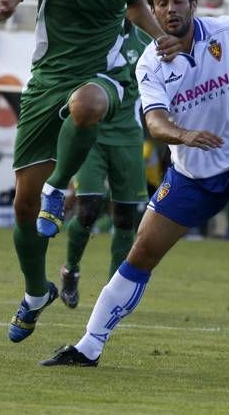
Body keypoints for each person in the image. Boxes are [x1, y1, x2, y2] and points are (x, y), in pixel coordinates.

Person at [39, 0, 229, 368]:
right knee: (142, 251)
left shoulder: (224, 31)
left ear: (193, 3)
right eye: (162, 3)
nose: (171, 8)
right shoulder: (150, 62)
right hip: (191, 173)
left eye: (178, 0)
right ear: (153, 11)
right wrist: (184, 136)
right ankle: (88, 346)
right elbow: (154, 123)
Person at [0, 0, 181, 344]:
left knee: (88, 105)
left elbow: (133, 2)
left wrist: (156, 38)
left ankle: (59, 191)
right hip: (47, 82)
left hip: (103, 76)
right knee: (21, 206)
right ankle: (37, 293)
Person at [52, 18, 152, 309]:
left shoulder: (146, 42)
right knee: (88, 208)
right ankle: (70, 271)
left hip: (129, 138)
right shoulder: (90, 35)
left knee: (125, 217)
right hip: (91, 136)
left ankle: (114, 292)